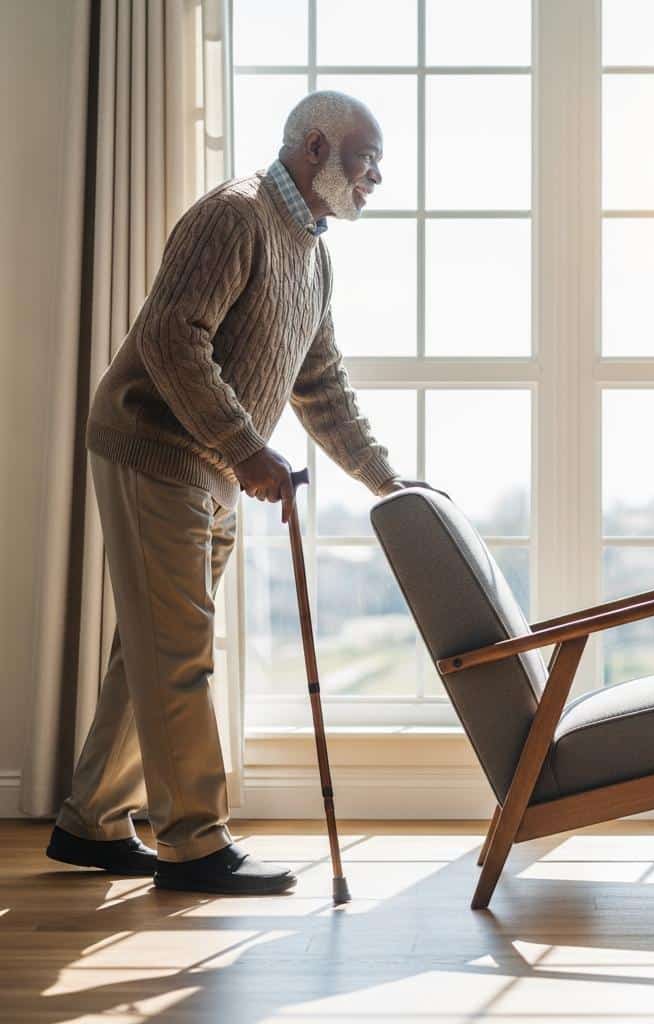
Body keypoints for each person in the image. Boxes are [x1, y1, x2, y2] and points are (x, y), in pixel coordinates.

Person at [46, 90, 431, 895]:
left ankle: (91, 823)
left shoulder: (313, 252)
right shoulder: (236, 213)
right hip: (153, 448)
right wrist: (247, 447)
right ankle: (194, 845)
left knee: (152, 648)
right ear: (317, 146)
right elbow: (169, 336)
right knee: (178, 653)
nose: (378, 179)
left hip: (214, 465)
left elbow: (321, 386)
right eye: (368, 160)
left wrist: (387, 479)